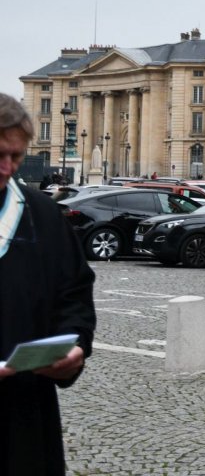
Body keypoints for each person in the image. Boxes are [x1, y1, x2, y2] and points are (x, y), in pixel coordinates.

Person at [0, 93, 96, 474]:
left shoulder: (43, 216)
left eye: (17, 157)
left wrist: (74, 344)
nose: (7, 168)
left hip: (25, 414)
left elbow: (74, 294)